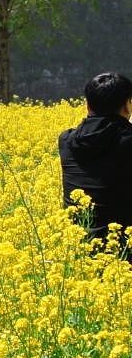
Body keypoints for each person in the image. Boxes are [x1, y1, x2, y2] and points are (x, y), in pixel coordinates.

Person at [58, 71, 132, 256]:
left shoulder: (66, 140)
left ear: (87, 105)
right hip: (124, 250)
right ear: (127, 105)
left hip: (79, 250)